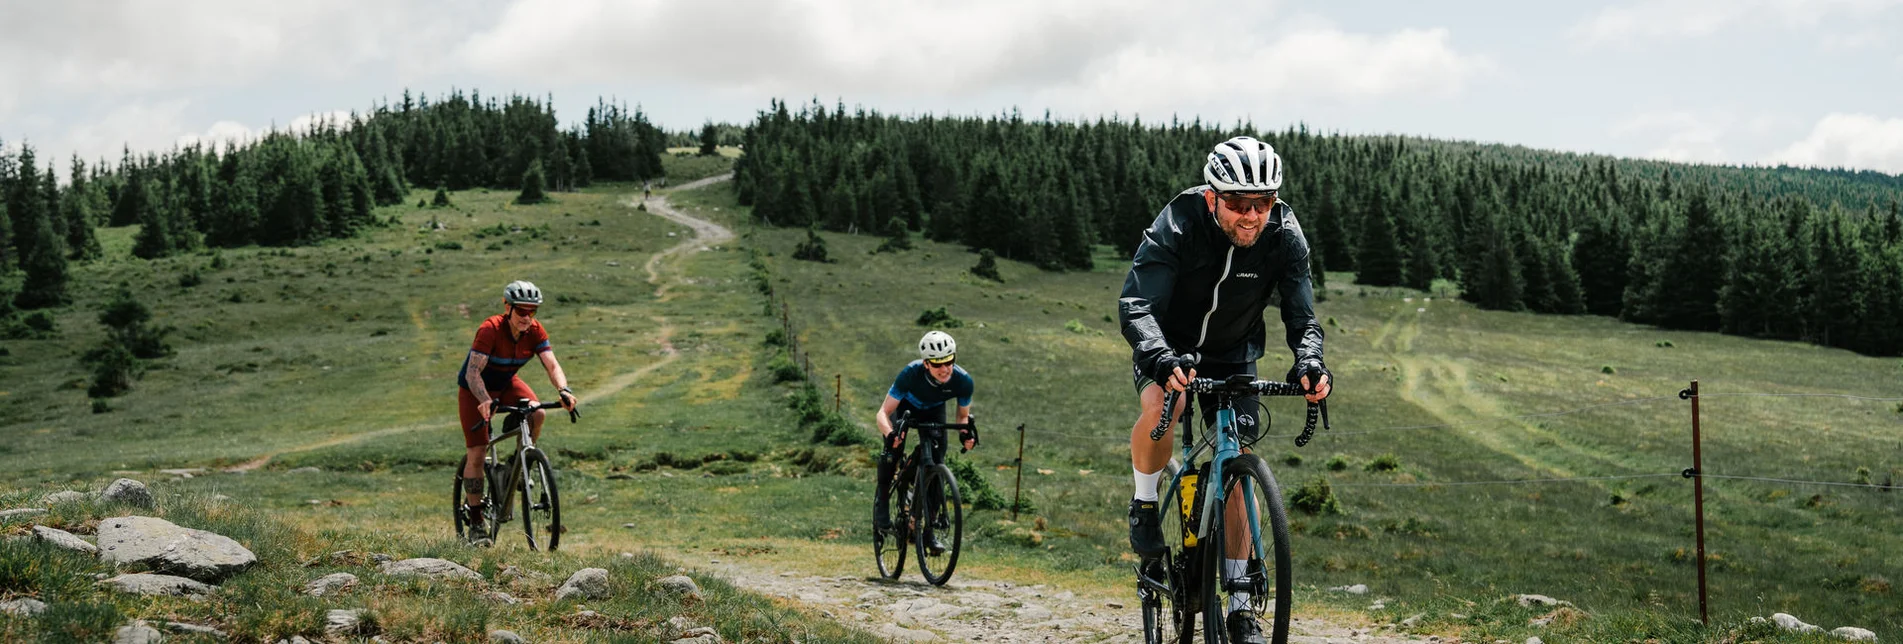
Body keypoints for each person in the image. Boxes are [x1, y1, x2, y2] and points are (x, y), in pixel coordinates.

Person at [1118, 136, 1332, 643]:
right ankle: (1145, 502)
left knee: (1237, 457)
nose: (1250, 215)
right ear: (1213, 198)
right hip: (1167, 345)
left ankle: (1239, 605)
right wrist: (1159, 356)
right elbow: (1136, 303)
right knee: (1161, 408)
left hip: (1235, 352)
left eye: (1262, 203)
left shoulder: (1285, 234)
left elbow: (1303, 316)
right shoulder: (1179, 223)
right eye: (1237, 203)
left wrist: (1309, 362)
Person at [457, 280, 578, 541]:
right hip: (474, 390)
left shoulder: (534, 331)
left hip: (506, 383)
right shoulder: (490, 329)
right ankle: (476, 520)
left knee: (538, 413)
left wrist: (564, 390)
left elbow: (552, 365)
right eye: (521, 311)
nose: (526, 317)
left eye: (532, 312)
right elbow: (472, 372)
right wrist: (484, 399)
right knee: (477, 453)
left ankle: (517, 466)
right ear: (507, 308)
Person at [873, 330, 977, 553]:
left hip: (933, 411)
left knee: (937, 461)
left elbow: (962, 417)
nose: (945, 369)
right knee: (893, 450)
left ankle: (927, 531)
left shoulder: (963, 381)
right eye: (938, 364)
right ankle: (882, 501)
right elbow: (883, 412)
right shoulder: (910, 374)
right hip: (904, 409)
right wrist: (891, 434)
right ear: (926, 364)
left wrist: (966, 434)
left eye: (949, 361)